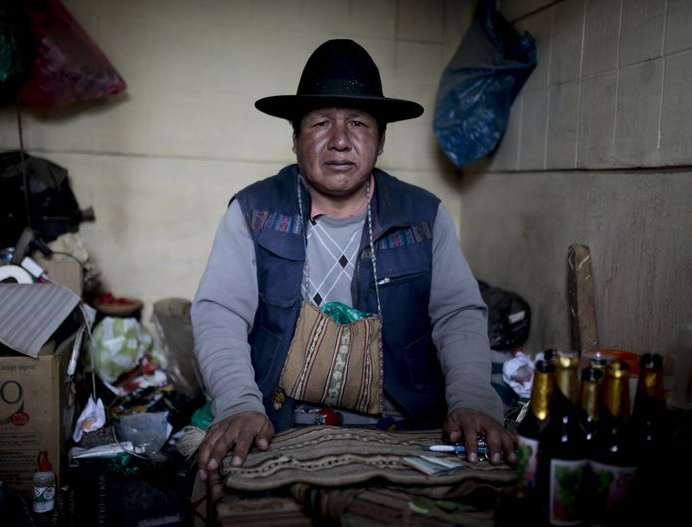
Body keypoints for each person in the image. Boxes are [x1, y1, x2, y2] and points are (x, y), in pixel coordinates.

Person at [191, 39, 517, 483]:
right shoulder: (253, 212)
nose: (340, 141)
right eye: (321, 123)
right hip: (279, 423)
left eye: (359, 123)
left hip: (405, 427)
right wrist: (237, 403)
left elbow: (457, 313)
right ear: (295, 139)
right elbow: (220, 313)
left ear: (381, 141)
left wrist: (474, 399)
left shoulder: (424, 216)